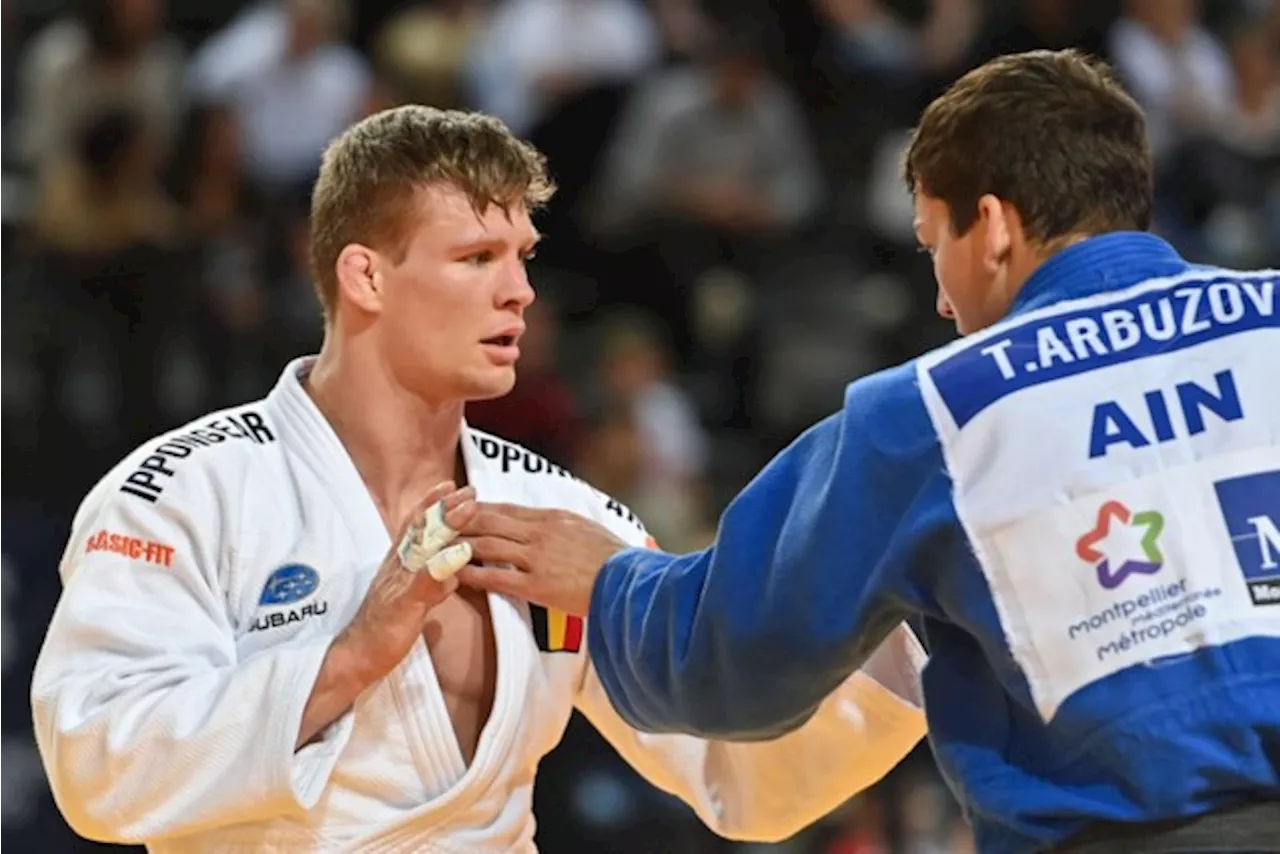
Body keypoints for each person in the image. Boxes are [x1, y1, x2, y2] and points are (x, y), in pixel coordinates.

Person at [29, 104, 928, 852]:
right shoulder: (186, 492)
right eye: (475, 258)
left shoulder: (557, 516)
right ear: (366, 276)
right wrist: (348, 659)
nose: (519, 293)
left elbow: (740, 771)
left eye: (523, 257)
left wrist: (917, 626)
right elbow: (95, 766)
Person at [455, 49, 1280, 853]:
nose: (943, 301)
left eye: (932, 246)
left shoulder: (937, 411)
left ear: (991, 226)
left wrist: (608, 583)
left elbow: (733, 660)